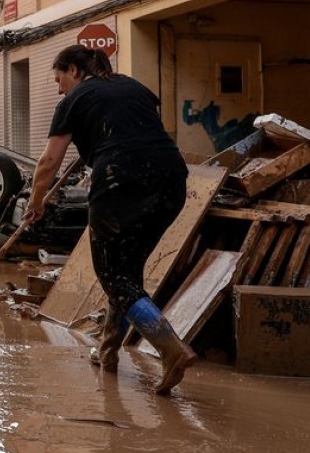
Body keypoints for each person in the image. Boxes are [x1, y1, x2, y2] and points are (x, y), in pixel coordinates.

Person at [24, 44, 195, 396]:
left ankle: (170, 348)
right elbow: (134, 130)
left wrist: (36, 201)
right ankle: (108, 351)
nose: (59, 89)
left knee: (112, 274)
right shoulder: (135, 87)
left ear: (74, 70)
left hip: (120, 180)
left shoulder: (74, 99)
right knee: (126, 272)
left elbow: (48, 162)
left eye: (59, 79)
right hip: (172, 181)